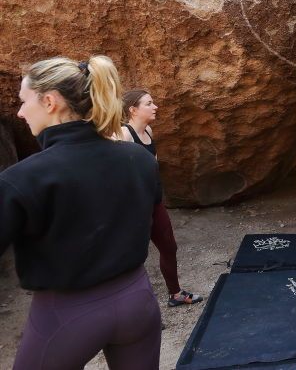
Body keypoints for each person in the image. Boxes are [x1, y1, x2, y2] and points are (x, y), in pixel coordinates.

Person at [0, 56, 162, 369]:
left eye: (23, 101)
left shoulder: (22, 179)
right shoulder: (138, 159)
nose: (19, 112)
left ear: (49, 102)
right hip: (137, 302)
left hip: (65, 316)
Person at [120, 89, 202, 308]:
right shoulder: (123, 134)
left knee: (169, 248)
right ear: (133, 109)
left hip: (154, 203)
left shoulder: (148, 130)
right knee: (133, 258)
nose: (155, 106)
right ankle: (137, 310)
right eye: (149, 103)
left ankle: (175, 294)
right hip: (134, 209)